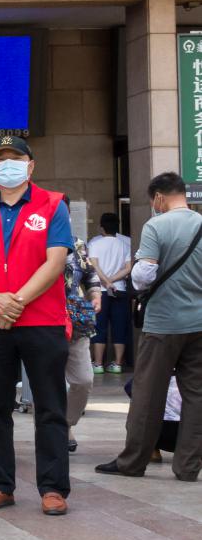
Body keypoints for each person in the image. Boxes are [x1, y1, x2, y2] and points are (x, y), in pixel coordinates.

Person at [0, 136, 73, 516]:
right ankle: (0, 485)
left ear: (30, 166)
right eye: (0, 159)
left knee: (50, 407)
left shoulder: (53, 204)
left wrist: (15, 302)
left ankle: (53, 488)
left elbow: (54, 261)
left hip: (42, 321)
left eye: (16, 158)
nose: (7, 165)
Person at [97, 172, 202, 481]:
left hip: (163, 323)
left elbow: (144, 276)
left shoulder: (156, 225)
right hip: (199, 323)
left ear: (158, 197)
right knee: (196, 395)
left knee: (148, 392)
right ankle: (188, 467)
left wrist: (137, 273)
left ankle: (132, 462)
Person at [63, 237, 102, 453]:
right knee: (46, 382)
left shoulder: (76, 243)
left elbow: (89, 273)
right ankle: (52, 431)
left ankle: (66, 423)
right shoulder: (32, 236)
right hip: (43, 320)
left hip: (76, 320)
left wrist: (95, 294)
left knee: (83, 379)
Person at [87, 212, 133, 375]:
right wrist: (112, 281)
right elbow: (128, 268)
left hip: (100, 291)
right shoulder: (124, 245)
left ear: (101, 228)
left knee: (99, 327)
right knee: (119, 327)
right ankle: (118, 364)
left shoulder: (94, 244)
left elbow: (94, 266)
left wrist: (106, 282)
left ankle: (98, 364)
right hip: (119, 290)